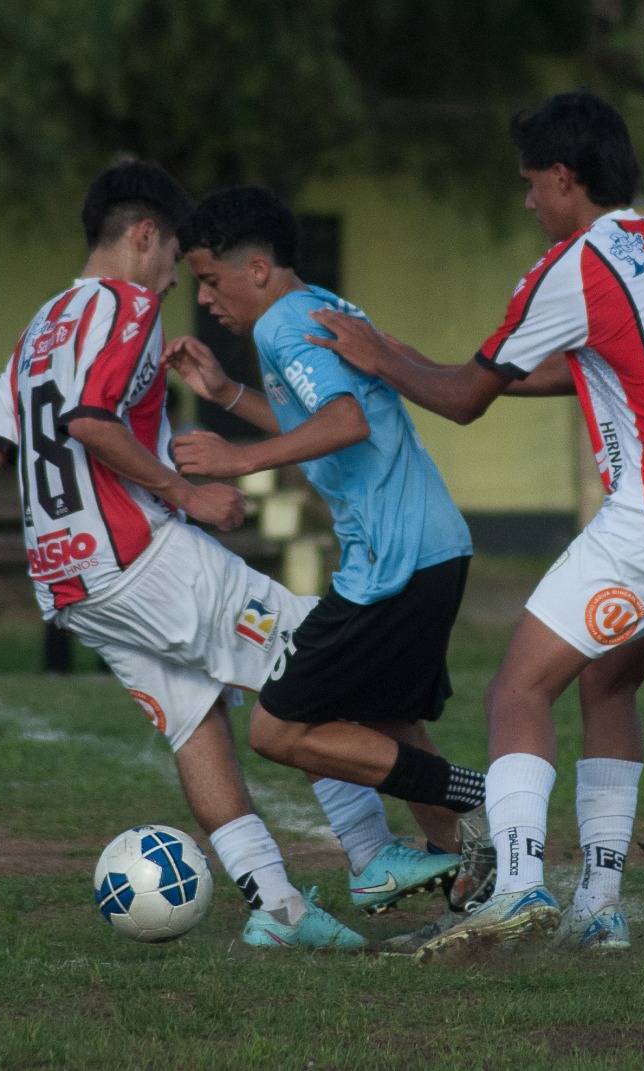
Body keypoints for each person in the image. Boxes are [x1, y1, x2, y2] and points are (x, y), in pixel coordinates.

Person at [0, 160, 455, 950]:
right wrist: (188, 492)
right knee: (314, 664)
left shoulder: (40, 325)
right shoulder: (128, 304)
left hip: (67, 578)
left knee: (194, 720)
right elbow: (91, 421)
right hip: (140, 556)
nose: (180, 281)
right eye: (178, 258)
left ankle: (277, 908)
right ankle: (375, 853)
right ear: (145, 237)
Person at [308, 89, 644, 960]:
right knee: (606, 682)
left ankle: (520, 883)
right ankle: (599, 905)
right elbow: (575, 367)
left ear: (565, 178)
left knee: (517, 690)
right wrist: (405, 357)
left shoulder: (575, 265)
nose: (528, 202)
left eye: (532, 184)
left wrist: (382, 359)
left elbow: (465, 403)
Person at [162, 186, 492, 920]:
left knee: (277, 730)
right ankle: (482, 898)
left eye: (210, 280)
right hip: (429, 548)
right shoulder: (316, 304)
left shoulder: (282, 323)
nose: (206, 300)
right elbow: (320, 412)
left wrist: (238, 460)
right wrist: (224, 391)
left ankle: (487, 795)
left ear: (255, 268)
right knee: (394, 732)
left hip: (392, 564)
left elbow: (343, 422)